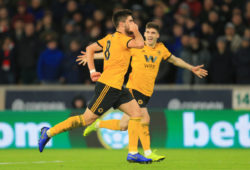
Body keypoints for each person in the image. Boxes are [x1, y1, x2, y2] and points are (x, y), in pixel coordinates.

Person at [77, 22, 208, 161]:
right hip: (133, 89)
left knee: (123, 126)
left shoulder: (161, 49)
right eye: (148, 32)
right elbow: (112, 53)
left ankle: (98, 124)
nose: (150, 35)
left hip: (146, 92)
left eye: (153, 33)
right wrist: (92, 56)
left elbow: (175, 60)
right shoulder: (136, 46)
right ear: (144, 34)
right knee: (145, 119)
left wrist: (191, 68)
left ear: (157, 35)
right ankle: (148, 152)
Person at [38, 9, 152, 164]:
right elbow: (140, 43)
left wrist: (92, 71)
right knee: (86, 120)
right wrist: (137, 31)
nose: (133, 23)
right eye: (131, 21)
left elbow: (90, 49)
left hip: (118, 87)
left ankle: (132, 153)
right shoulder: (121, 39)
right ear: (122, 23)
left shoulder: (110, 38)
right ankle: (48, 132)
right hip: (108, 86)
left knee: (136, 114)